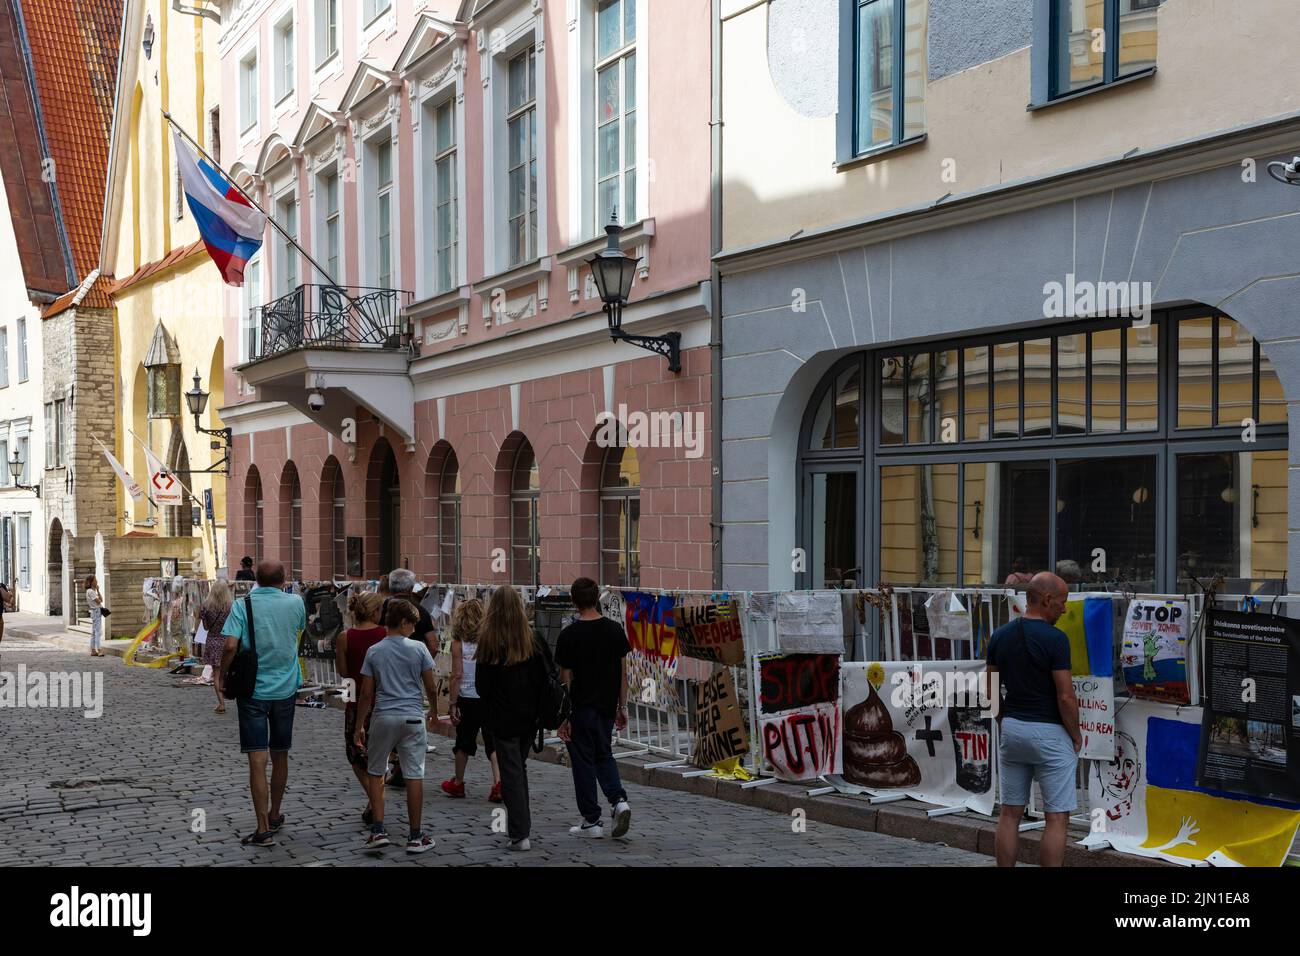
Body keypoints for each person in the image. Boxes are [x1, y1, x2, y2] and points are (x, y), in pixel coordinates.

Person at [985, 571, 1080, 867]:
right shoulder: (1056, 640)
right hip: (1050, 733)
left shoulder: (999, 636)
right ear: (1047, 599)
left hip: (1012, 729)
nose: (1064, 609)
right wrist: (1076, 735)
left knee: (1010, 813)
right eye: (1062, 602)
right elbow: (1065, 697)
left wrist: (1004, 720)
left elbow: (988, 693)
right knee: (1056, 817)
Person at [219, 560, 306, 848]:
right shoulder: (295, 603)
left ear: (255, 579)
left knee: (257, 761)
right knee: (280, 754)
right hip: (285, 689)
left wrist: (221, 675)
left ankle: (262, 828)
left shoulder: (244, 606)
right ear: (284, 579)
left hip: (253, 690)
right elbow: (297, 632)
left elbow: (230, 645)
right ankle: (276, 812)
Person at [353, 598, 438, 853]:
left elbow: (367, 693)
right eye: (412, 624)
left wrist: (359, 724)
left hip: (384, 716)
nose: (414, 628)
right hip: (412, 716)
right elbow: (431, 686)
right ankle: (415, 835)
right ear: (403, 623)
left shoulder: (375, 651)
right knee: (414, 774)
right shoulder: (419, 649)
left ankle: (378, 830)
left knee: (376, 772)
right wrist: (433, 711)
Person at [556, 577, 631, 839]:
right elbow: (623, 674)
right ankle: (619, 800)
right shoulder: (614, 630)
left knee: (583, 762)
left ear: (574, 601)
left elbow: (565, 679)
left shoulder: (569, 635)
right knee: (604, 754)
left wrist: (564, 716)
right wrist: (623, 707)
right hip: (606, 706)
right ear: (597, 596)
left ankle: (592, 820)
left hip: (580, 707)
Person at [475, 585, 548, 852]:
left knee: (512, 772)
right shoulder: (532, 638)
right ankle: (522, 825)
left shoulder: (490, 641)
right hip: (529, 715)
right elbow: (544, 677)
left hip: (503, 716)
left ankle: (520, 833)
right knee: (518, 768)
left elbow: (482, 686)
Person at [440, 598, 503, 802]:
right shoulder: (491, 640)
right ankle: (498, 783)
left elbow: (457, 674)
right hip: (489, 697)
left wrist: (452, 703)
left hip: (468, 697)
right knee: (493, 741)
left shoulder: (458, 643)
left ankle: (458, 782)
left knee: (463, 741)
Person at [336, 591, 387, 826]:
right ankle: (376, 799)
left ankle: (373, 798)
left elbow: (344, 674)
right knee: (380, 755)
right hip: (384, 701)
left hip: (356, 700)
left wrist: (349, 702)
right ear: (376, 612)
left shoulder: (345, 637)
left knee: (355, 754)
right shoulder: (385, 634)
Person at [199, 581, 234, 712]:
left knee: (217, 675)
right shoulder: (231, 606)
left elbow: (206, 627)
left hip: (213, 641)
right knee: (231, 671)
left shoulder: (206, 606)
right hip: (228, 641)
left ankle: (221, 703)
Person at [85, 576, 105, 657]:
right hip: (96, 611)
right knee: (98, 632)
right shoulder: (90, 591)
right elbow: (98, 601)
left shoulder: (92, 591)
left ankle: (93, 650)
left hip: (95, 612)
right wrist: (98, 597)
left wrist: (98, 590)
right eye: (95, 580)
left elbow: (101, 599)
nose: (96, 581)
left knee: (94, 632)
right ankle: (99, 650)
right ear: (91, 582)